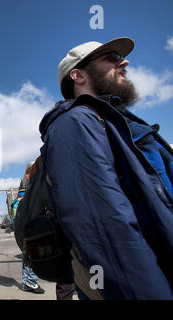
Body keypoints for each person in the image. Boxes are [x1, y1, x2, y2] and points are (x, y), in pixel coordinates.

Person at [40, 37, 173, 299]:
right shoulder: (76, 123)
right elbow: (105, 232)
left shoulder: (115, 123)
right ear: (77, 75)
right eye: (110, 57)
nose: (124, 61)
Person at [15, 162, 45, 294]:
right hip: (29, 223)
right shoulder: (31, 183)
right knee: (33, 253)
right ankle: (31, 282)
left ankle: (26, 282)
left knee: (28, 255)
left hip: (26, 223)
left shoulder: (28, 183)